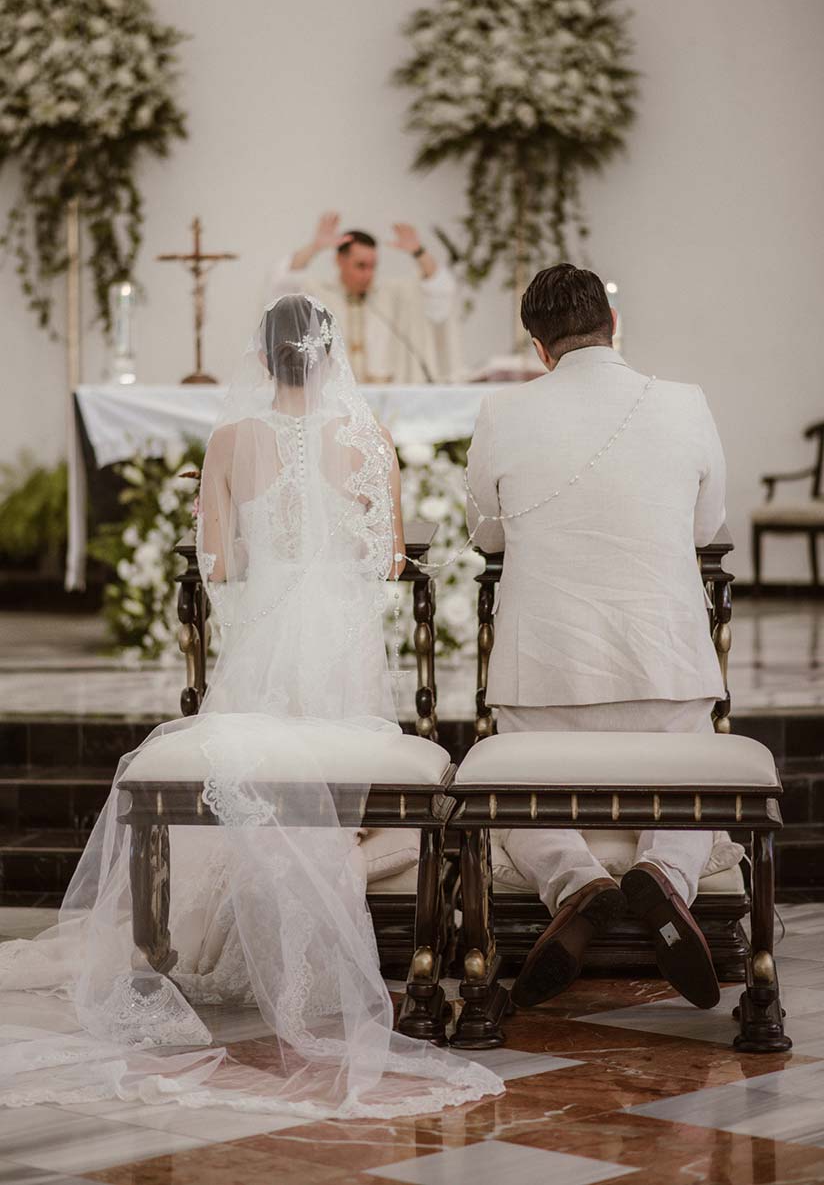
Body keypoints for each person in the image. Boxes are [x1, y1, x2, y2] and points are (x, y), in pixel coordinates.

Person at [0, 295, 501, 1119]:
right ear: (332, 356)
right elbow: (385, 563)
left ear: (264, 359)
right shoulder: (370, 440)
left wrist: (239, 524)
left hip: (265, 661)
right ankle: (344, 879)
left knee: (250, 765)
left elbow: (220, 565)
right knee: (341, 772)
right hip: (344, 661)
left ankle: (229, 924)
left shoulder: (232, 440)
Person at [466, 264, 732, 1012]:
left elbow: (483, 529)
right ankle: (666, 877)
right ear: (613, 329)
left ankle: (574, 881)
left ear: (540, 348)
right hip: (666, 666)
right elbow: (706, 527)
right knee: (695, 777)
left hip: (545, 672)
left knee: (510, 785)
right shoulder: (686, 403)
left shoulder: (503, 410)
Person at [271, 212, 461, 383]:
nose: (368, 274)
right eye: (361, 266)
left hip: (386, 395)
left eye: (372, 266)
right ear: (339, 261)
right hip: (334, 399)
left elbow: (439, 291)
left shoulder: (392, 295)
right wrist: (314, 247)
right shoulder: (318, 294)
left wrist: (419, 252)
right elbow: (282, 288)